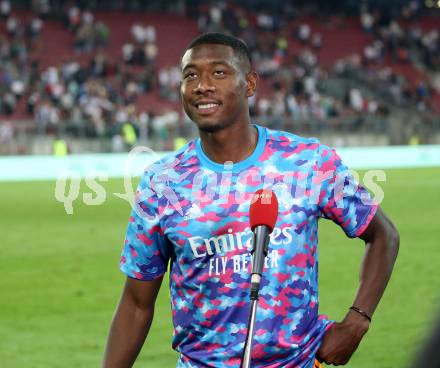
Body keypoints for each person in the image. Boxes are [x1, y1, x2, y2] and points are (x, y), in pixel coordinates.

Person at [102, 33, 399, 368]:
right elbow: (136, 304)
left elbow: (383, 234)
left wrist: (357, 322)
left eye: (218, 73)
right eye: (190, 75)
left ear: (250, 84)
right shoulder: (162, 183)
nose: (202, 85)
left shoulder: (308, 162)